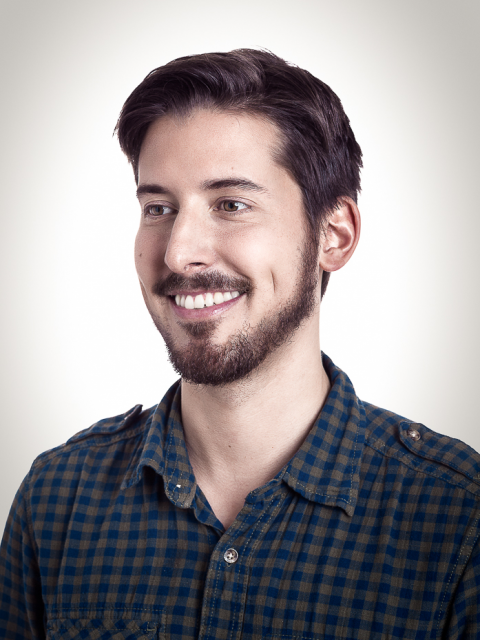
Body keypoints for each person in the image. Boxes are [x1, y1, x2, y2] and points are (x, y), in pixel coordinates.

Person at [1, 49, 479, 640]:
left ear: (334, 235)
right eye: (158, 208)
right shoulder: (56, 499)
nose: (179, 252)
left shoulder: (457, 518)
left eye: (231, 205)